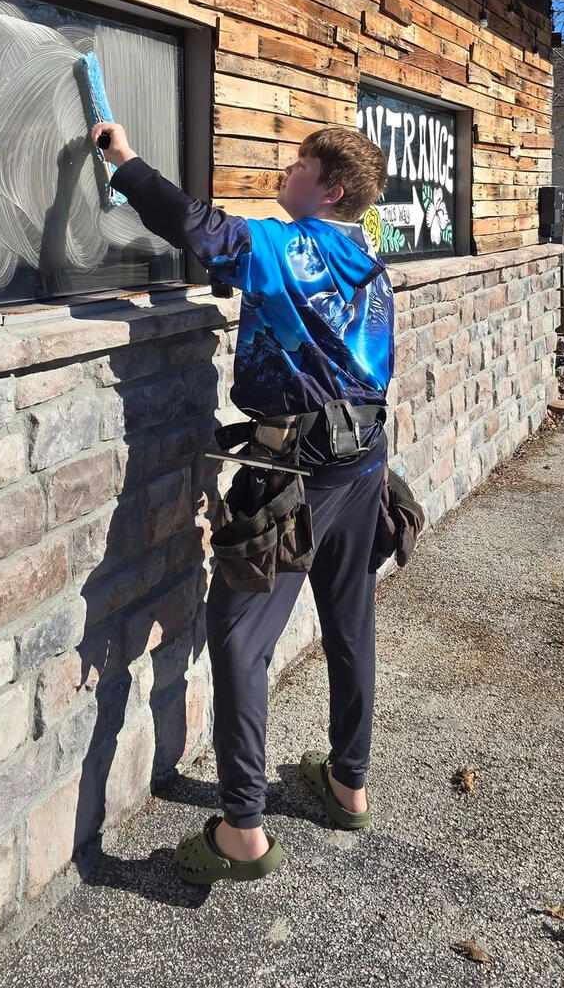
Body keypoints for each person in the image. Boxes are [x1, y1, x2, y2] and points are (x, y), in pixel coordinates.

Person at [91, 120, 394, 884]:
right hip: (365, 465)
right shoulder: (368, 257)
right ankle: (348, 783)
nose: (285, 171)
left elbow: (198, 228)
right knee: (349, 619)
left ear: (330, 188)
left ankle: (242, 831)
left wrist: (124, 161)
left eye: (300, 164)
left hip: (297, 471)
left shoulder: (292, 246)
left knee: (236, 637)